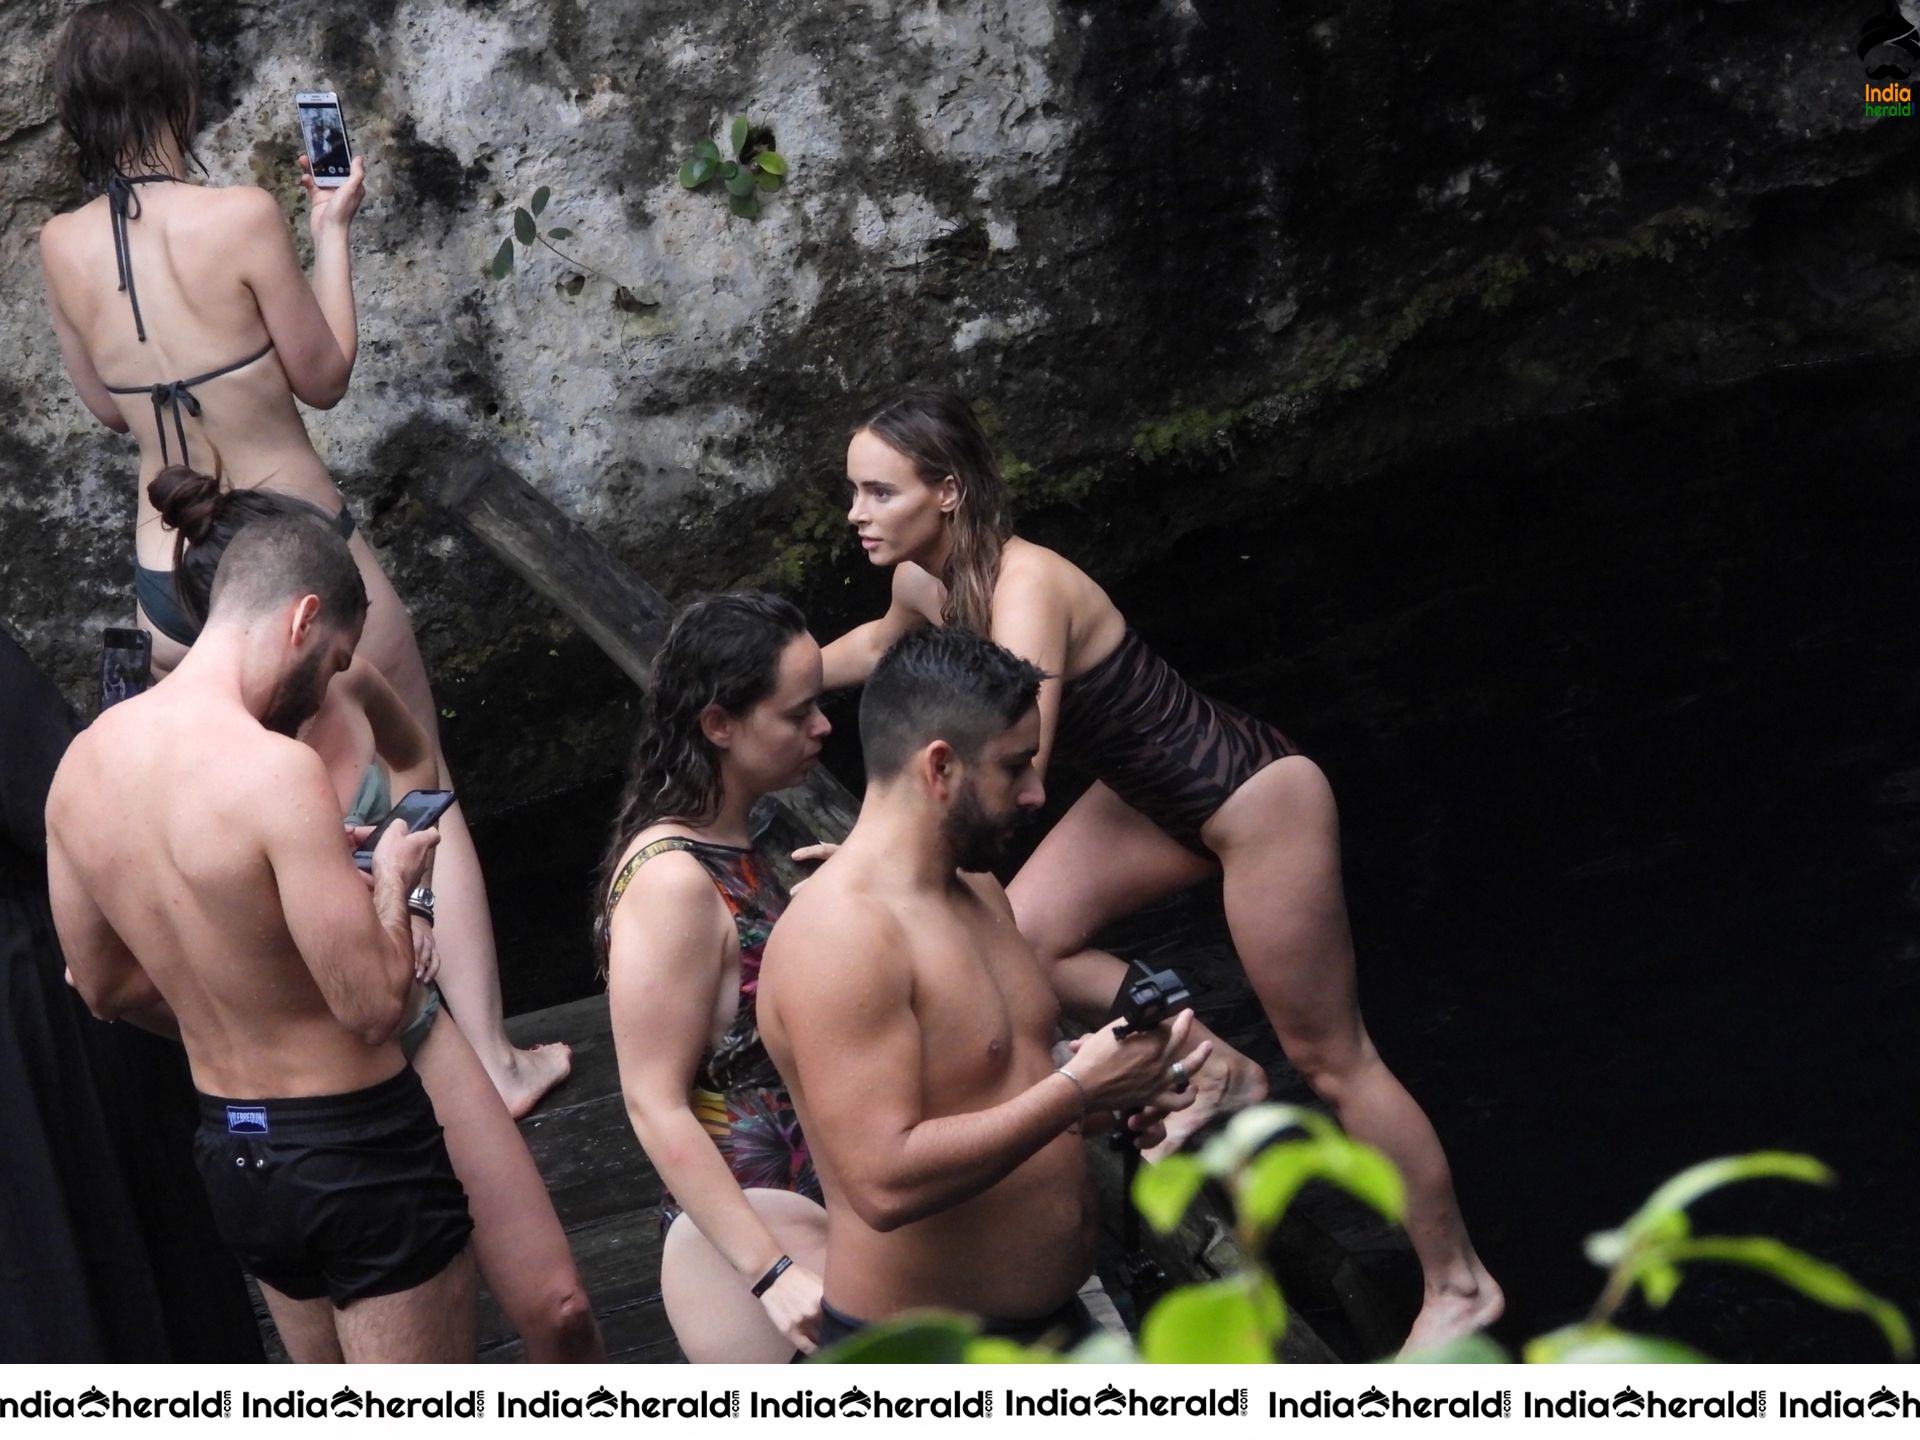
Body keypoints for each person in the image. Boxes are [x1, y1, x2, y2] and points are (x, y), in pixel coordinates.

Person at [818, 388, 1503, 1349]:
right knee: (1024, 940)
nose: (855, 514)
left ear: (949, 492)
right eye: (854, 491)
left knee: (1333, 1059)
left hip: (1249, 797)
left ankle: (1460, 1283)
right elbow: (878, 645)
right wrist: (773, 678)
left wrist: (873, 851)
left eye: (877, 493)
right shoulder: (929, 584)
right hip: (1145, 798)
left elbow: (1018, 764)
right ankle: (1205, 1055)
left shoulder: (1028, 586)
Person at [39, 0, 567, 1116]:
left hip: (167, 582)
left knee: (251, 821)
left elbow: (100, 402)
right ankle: (495, 1065)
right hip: (294, 559)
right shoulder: (238, 216)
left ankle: (328, 1064)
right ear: (179, 94)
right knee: (419, 792)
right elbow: (322, 374)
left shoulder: (58, 245)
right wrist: (332, 228)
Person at [152, 468, 603, 1362]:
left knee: (559, 1309)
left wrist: (412, 887)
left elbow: (416, 764)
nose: (338, 670)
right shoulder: (186, 759)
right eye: (331, 646)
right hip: (303, 1100)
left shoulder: (349, 688)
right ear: (289, 616)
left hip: (414, 1023)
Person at [45, 508, 476, 1363]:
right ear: (303, 620)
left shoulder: (80, 767)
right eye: (336, 662)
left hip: (236, 1154)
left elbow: (96, 985)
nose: (325, 690)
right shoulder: (275, 772)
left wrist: (236, 1003)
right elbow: (373, 1006)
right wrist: (393, 877)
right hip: (357, 1150)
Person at [759, 627, 1204, 1345]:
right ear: (940, 767)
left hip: (1056, 1329)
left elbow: (998, 1087)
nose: (1036, 793)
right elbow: (882, 1180)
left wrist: (1114, 1082)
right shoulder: (839, 936)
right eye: (1014, 767)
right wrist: (1079, 1089)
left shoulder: (981, 891)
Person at [600, 593, 835, 1361]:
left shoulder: (740, 834)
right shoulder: (670, 882)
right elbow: (651, 1100)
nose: (822, 728)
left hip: (809, 1208)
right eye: (797, 714)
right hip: (749, 1246)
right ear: (719, 725)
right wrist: (771, 1274)